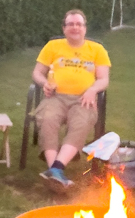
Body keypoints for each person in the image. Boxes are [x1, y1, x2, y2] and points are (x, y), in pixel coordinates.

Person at [32, 10, 111, 190]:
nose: (75, 27)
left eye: (79, 24)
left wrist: (93, 90)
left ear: (85, 28)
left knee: (82, 122)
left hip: (84, 98)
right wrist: (44, 83)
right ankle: (56, 169)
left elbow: (104, 79)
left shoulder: (97, 50)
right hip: (55, 96)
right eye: (71, 24)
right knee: (47, 118)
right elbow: (37, 72)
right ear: (64, 28)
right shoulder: (53, 46)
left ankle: (55, 169)